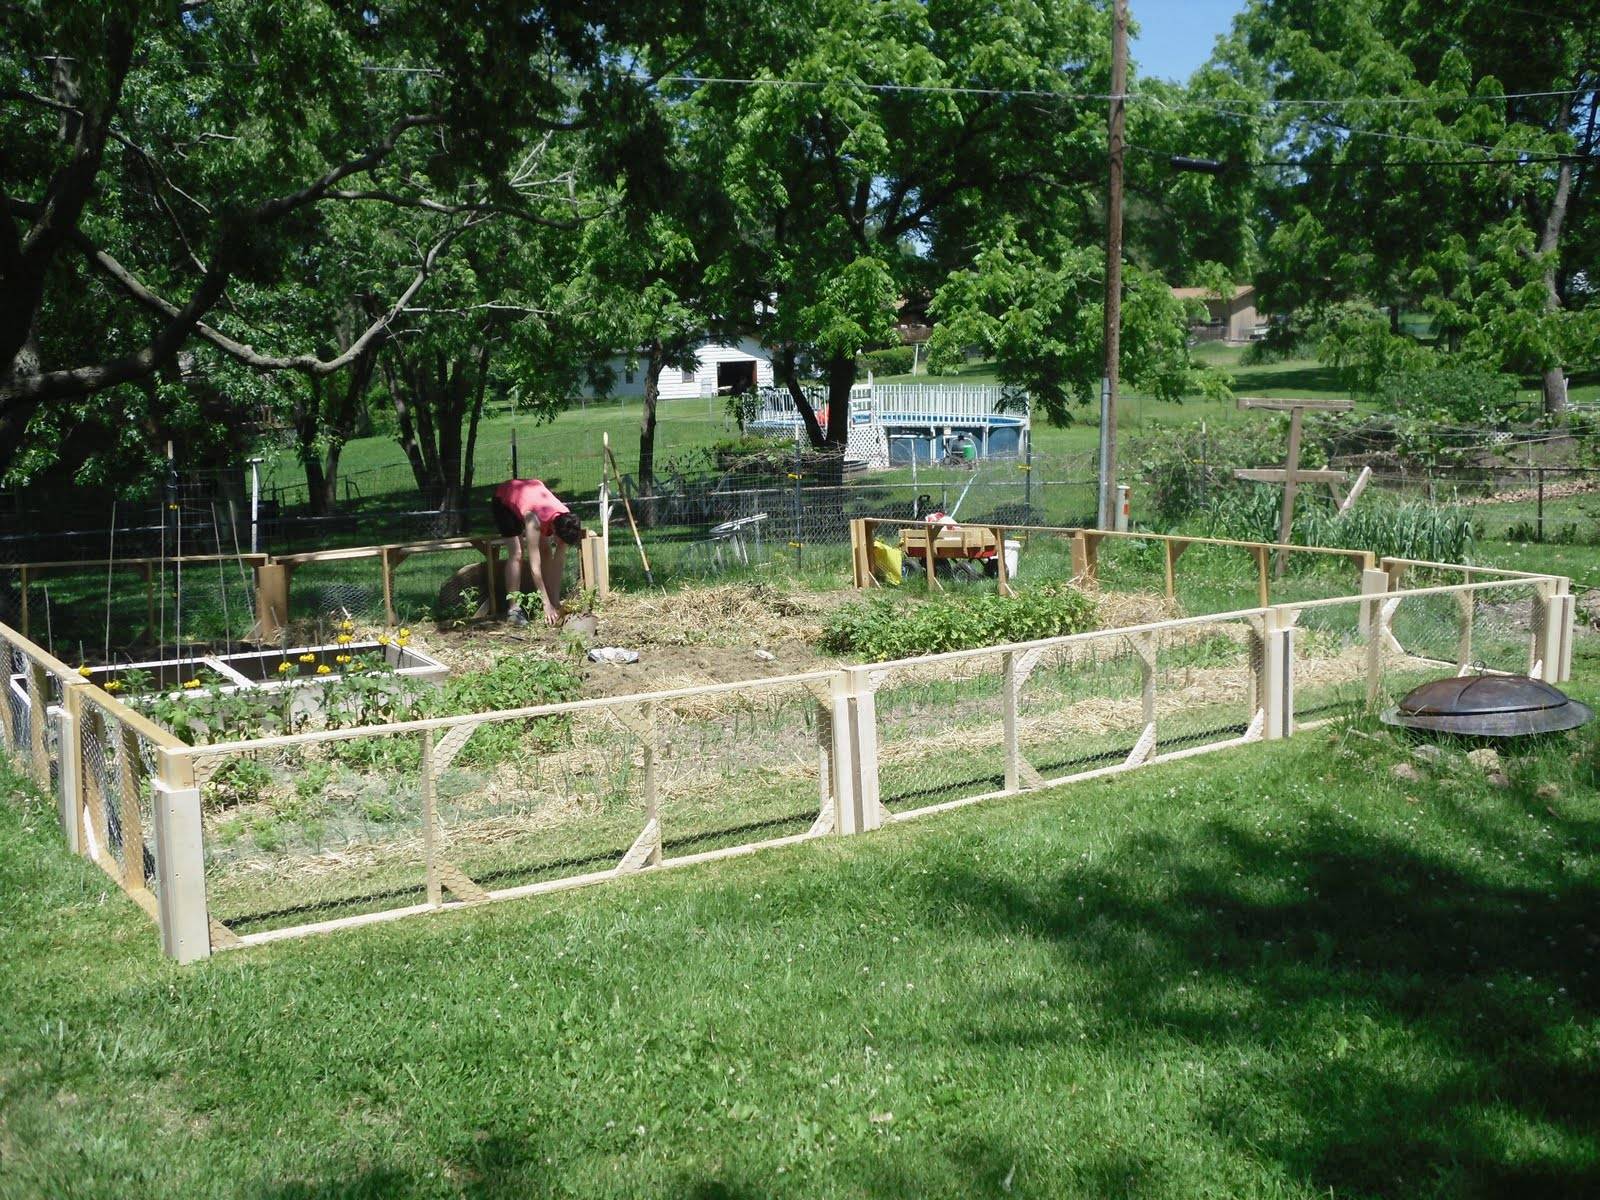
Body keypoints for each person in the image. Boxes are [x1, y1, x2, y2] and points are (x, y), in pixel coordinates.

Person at [490, 478, 584, 626]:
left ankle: (550, 601)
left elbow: (558, 563)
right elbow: (535, 568)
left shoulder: (567, 520)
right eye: (560, 540)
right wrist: (546, 604)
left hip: (533, 497)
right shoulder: (534, 520)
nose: (560, 544)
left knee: (546, 550)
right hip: (505, 500)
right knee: (517, 553)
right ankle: (513, 610)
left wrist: (555, 601)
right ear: (554, 531)